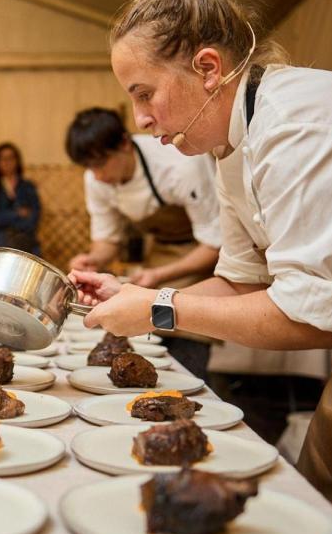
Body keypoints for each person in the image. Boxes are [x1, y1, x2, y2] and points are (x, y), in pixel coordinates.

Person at [69, 0, 332, 534]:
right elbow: (242, 280)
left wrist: (159, 308)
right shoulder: (230, 145)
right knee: (319, 502)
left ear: (208, 68)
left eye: (144, 94)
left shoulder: (297, 126)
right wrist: (135, 298)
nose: (140, 119)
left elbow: (318, 318)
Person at [66, 107, 221, 376]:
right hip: (159, 256)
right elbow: (107, 240)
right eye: (89, 167)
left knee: (188, 347)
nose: (97, 175)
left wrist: (160, 275)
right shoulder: (95, 178)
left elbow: (215, 244)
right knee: (149, 346)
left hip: (202, 257)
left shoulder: (180, 165)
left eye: (101, 163)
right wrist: (94, 259)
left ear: (124, 144)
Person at [0, 143, 41, 256]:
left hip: (24, 244)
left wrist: (1, 214)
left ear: (17, 161)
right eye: (2, 158)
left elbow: (32, 221)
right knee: (1, 238)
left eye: (10, 158)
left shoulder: (28, 188)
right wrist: (18, 214)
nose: (7, 162)